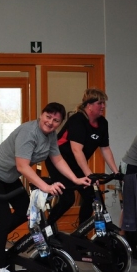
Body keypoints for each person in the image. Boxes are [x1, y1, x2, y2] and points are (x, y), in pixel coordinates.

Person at [0, 102, 91, 272]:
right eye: (48, 117)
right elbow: (22, 166)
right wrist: (45, 187)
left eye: (56, 120)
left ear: (60, 123)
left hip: (8, 177)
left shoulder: (51, 135)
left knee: (25, 211)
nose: (50, 122)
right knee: (4, 218)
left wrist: (76, 179)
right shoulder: (28, 133)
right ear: (41, 115)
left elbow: (58, 159)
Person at [45, 88, 120, 226]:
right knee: (68, 199)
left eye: (104, 103)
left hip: (76, 164)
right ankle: (46, 228)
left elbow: (105, 148)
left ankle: (81, 232)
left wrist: (116, 172)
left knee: (92, 196)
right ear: (89, 105)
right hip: (58, 161)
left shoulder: (103, 123)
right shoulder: (77, 120)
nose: (103, 106)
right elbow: (77, 150)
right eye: (100, 103)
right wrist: (89, 175)